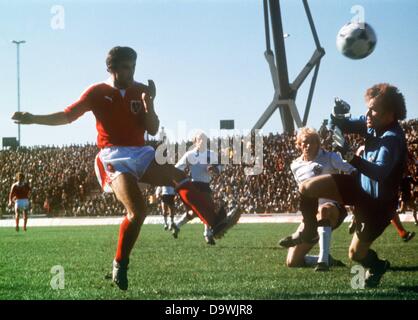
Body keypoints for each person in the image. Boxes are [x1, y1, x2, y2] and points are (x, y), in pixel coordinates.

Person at [12, 46, 241, 290]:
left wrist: (149, 104)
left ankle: (214, 223)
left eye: (133, 66)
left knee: (177, 175)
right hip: (113, 156)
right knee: (138, 212)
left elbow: (152, 129)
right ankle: (120, 263)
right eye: (125, 67)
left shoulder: (141, 90)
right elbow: (67, 115)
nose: (130, 72)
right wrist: (33, 118)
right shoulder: (97, 92)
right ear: (111, 68)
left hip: (141, 152)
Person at [283, 83, 407, 288]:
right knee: (306, 188)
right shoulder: (372, 123)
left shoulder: (392, 139)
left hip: (377, 204)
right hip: (358, 187)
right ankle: (309, 231)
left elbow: (379, 174)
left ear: (390, 114)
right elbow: (338, 126)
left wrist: (350, 156)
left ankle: (377, 266)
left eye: (373, 109)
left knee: (355, 254)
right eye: (367, 107)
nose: (367, 113)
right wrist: (336, 115)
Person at [279, 128, 353, 271]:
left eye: (313, 142)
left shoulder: (330, 157)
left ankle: (323, 261)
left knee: (323, 210)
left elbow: (351, 170)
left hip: (333, 208)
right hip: (311, 216)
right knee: (292, 261)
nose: (308, 145)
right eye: (305, 142)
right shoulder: (295, 166)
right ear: (299, 144)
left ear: (318, 143)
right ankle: (328, 259)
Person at [172, 132, 223, 245]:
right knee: (207, 208)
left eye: (204, 139)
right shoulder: (189, 155)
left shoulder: (211, 154)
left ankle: (177, 225)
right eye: (200, 139)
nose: (202, 141)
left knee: (196, 212)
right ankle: (207, 234)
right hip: (194, 185)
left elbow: (220, 167)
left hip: (205, 184)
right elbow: (177, 168)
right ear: (195, 142)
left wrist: (215, 170)